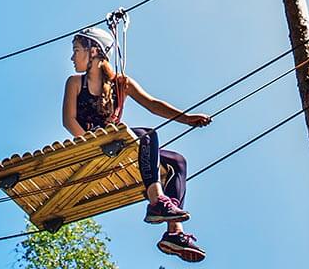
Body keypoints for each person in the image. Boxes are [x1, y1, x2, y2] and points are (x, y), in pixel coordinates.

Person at [63, 27, 211, 262]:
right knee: (146, 135)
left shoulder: (121, 84)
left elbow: (153, 103)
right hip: (92, 144)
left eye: (76, 51)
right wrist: (90, 144)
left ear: (93, 52)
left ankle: (174, 232)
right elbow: (68, 120)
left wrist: (185, 118)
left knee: (177, 162)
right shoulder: (75, 83)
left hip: (116, 145)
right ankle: (156, 200)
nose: (72, 58)